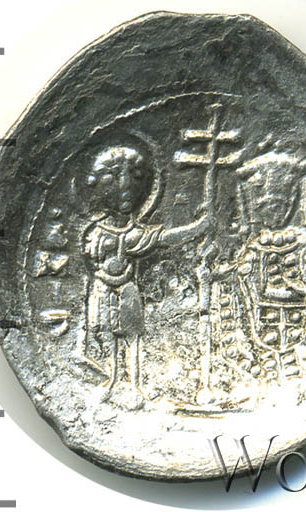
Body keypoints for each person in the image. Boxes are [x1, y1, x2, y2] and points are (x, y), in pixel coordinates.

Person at [78, 141, 210, 406]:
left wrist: (198, 227)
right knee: (108, 336)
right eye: (114, 181)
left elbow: (164, 238)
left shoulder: (136, 232)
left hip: (128, 288)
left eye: (134, 181)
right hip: (103, 289)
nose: (125, 188)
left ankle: (135, 385)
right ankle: (112, 380)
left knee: (133, 337)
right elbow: (91, 260)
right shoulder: (96, 232)